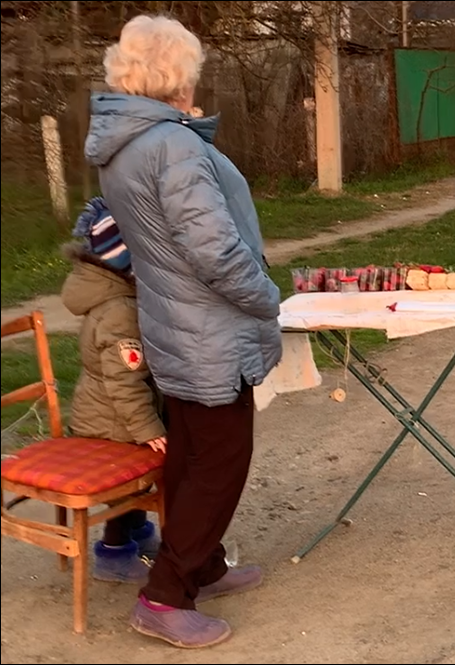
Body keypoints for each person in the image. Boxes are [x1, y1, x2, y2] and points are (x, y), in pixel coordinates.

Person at [84, 14, 283, 649]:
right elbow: (214, 250)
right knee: (222, 461)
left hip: (176, 322)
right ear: (177, 74)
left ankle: (202, 564)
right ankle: (165, 595)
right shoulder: (170, 144)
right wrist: (266, 296)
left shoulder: (128, 142)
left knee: (193, 454)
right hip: (209, 329)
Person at [61, 197, 167, 584]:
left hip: (100, 408)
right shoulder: (120, 309)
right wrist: (149, 429)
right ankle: (114, 549)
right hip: (110, 419)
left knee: (138, 472)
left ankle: (138, 532)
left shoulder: (108, 295)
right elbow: (124, 381)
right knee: (131, 480)